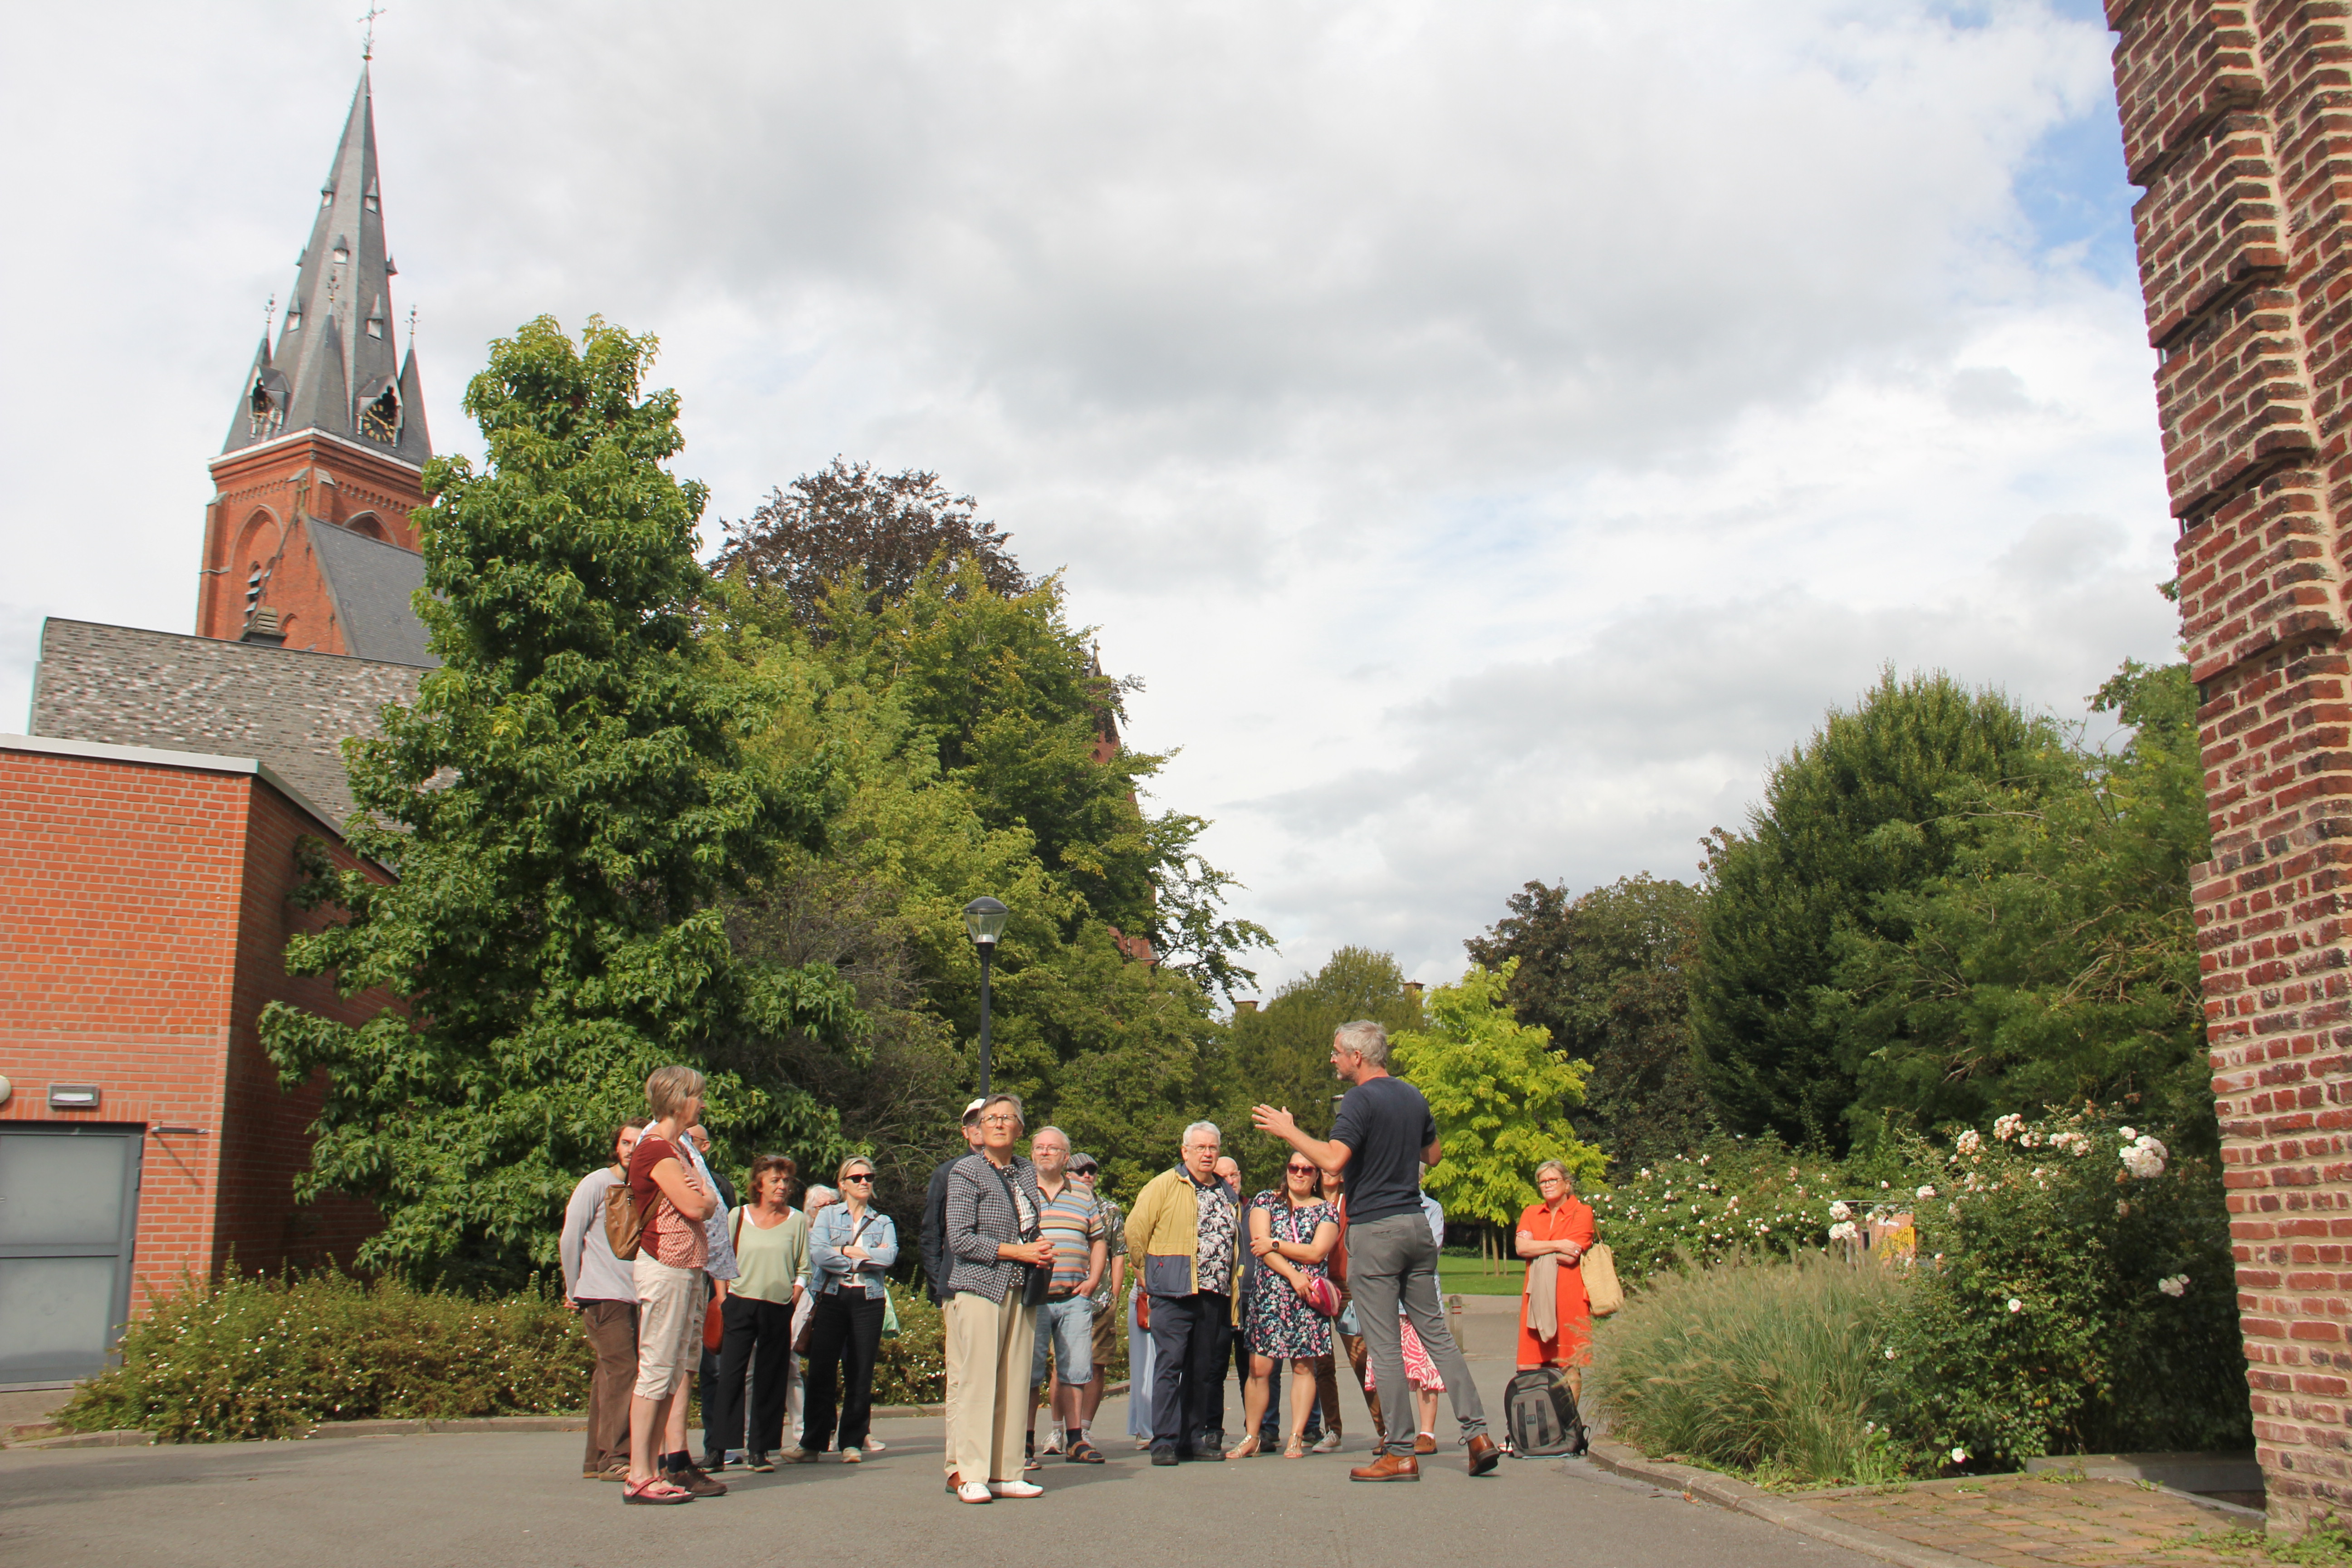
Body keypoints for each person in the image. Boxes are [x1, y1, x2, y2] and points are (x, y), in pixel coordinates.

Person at [1252, 1019, 1499, 1481]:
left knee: (1384, 1346)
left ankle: (1400, 1453)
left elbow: (1332, 1160)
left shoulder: (1360, 1100)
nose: (1333, 1059)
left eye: (1337, 1052)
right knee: (1438, 1337)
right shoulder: (1412, 1095)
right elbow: (1434, 1156)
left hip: (1376, 1230)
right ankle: (1479, 1435)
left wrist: (1289, 1130)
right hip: (1415, 1227)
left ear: (1357, 1058)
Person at [942, 1092, 1053, 1502]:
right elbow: (961, 1238)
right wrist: (1016, 1251)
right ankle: (971, 1473)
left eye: (1009, 1118)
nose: (1000, 1124)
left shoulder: (1026, 1172)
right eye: (992, 1118)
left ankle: (1007, 1472)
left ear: (1021, 1129)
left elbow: (1029, 1224)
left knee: (1015, 1379)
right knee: (977, 1381)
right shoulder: (965, 1172)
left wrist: (1040, 1248)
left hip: (1022, 1286)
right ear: (979, 1128)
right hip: (980, 1285)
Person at [623, 1065, 725, 1504]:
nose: (702, 1104)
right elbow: (696, 1203)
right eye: (698, 1096)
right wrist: (700, 1195)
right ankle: (639, 1474)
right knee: (656, 1369)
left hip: (687, 1268)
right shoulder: (655, 1150)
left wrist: (702, 1195)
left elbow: (709, 1198)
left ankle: (653, 1470)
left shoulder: (678, 1149)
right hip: (664, 1266)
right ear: (679, 1099)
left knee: (672, 1372)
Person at [1124, 1121, 1241, 1465]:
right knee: (1170, 1364)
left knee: (1201, 1369)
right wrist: (1148, 1273)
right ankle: (1164, 1440)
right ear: (1185, 1151)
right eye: (1201, 1148)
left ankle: (1193, 1438)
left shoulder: (1225, 1191)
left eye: (1213, 1148)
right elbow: (1135, 1230)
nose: (1207, 1154)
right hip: (1172, 1291)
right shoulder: (1164, 1185)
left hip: (1213, 1293)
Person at [1229, 1152, 1341, 1458]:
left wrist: (1276, 1244)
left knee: (1304, 1367)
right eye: (1295, 1167)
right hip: (1271, 1295)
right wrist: (1293, 1273)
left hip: (1308, 1300)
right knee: (1259, 1368)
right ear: (1287, 1170)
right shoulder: (1266, 1201)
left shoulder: (1327, 1212)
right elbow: (1259, 1246)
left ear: (1317, 1175)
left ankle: (1296, 1436)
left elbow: (1317, 1253)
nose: (1300, 1173)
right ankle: (1252, 1435)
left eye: (1308, 1169)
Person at [794, 1154, 899, 1463]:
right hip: (832, 1298)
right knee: (822, 1369)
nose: (864, 1182)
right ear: (843, 1184)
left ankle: (851, 1442)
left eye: (869, 1177)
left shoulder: (883, 1222)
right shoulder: (828, 1216)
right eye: (857, 1178)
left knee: (861, 1370)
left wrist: (846, 1253)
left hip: (868, 1300)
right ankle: (811, 1442)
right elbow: (820, 1255)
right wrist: (862, 1256)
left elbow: (890, 1257)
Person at [561, 1118, 649, 1480]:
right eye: (626, 1143)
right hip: (601, 1295)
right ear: (617, 1146)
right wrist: (572, 1288)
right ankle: (617, 1457)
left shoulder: (647, 1187)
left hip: (636, 1296)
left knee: (608, 1376)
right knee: (624, 1371)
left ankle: (596, 1458)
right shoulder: (597, 1182)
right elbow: (570, 1237)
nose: (631, 1149)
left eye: (638, 1143)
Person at [708, 1154, 808, 1471]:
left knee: (771, 1378)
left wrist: (794, 1295)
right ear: (759, 1184)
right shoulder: (737, 1216)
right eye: (775, 1180)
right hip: (739, 1303)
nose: (782, 1187)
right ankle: (717, 1448)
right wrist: (724, 1298)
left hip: (778, 1306)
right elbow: (721, 1258)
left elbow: (804, 1267)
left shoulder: (797, 1220)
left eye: (786, 1181)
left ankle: (760, 1450)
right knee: (731, 1377)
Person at [1024, 1127, 1107, 1467]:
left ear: (1065, 1157)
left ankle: (1076, 1440)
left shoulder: (1083, 1195)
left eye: (1052, 1149)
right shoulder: (1022, 1192)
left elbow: (1098, 1239)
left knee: (1076, 1370)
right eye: (1039, 1148)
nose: (1045, 1153)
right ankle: (1024, 1443)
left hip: (1074, 1296)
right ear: (1032, 1154)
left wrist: (1093, 1281)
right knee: (1029, 1373)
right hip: (1034, 1296)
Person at [684, 1123, 742, 1471]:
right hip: (676, 1275)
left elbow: (729, 1236)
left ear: (705, 1147)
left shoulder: (719, 1187)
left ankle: (718, 1446)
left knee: (714, 1368)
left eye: (693, 1141)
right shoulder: (659, 1173)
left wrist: (725, 1291)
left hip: (712, 1285)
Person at [1515, 1159, 1597, 1401]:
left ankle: (1570, 1426)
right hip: (1536, 1299)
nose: (1548, 1185)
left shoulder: (1583, 1213)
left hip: (1569, 1299)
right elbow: (1521, 1247)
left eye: (1553, 1180)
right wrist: (1558, 1243)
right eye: (1543, 1182)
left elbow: (1570, 1255)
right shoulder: (1531, 1212)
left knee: (1569, 1364)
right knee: (1532, 1366)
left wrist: (1538, 1246)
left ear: (1567, 1184)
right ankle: (1537, 1428)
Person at [1067, 1153, 1125, 1447]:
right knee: (1061, 1366)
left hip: (1101, 1300)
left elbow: (1119, 1255)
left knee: (1097, 1364)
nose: (1087, 1175)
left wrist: (1114, 1295)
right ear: (1067, 1174)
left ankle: (1085, 1429)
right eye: (1080, 1170)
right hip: (1064, 1296)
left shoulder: (1111, 1210)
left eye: (1092, 1171)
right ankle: (1058, 1429)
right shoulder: (1057, 1204)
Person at [785, 1183, 838, 1441]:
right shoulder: (799, 1231)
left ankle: (812, 1429)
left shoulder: (840, 1232)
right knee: (788, 1366)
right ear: (810, 1210)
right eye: (821, 1206)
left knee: (822, 1369)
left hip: (825, 1304)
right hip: (796, 1302)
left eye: (832, 1204)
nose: (827, 1210)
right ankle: (796, 1429)